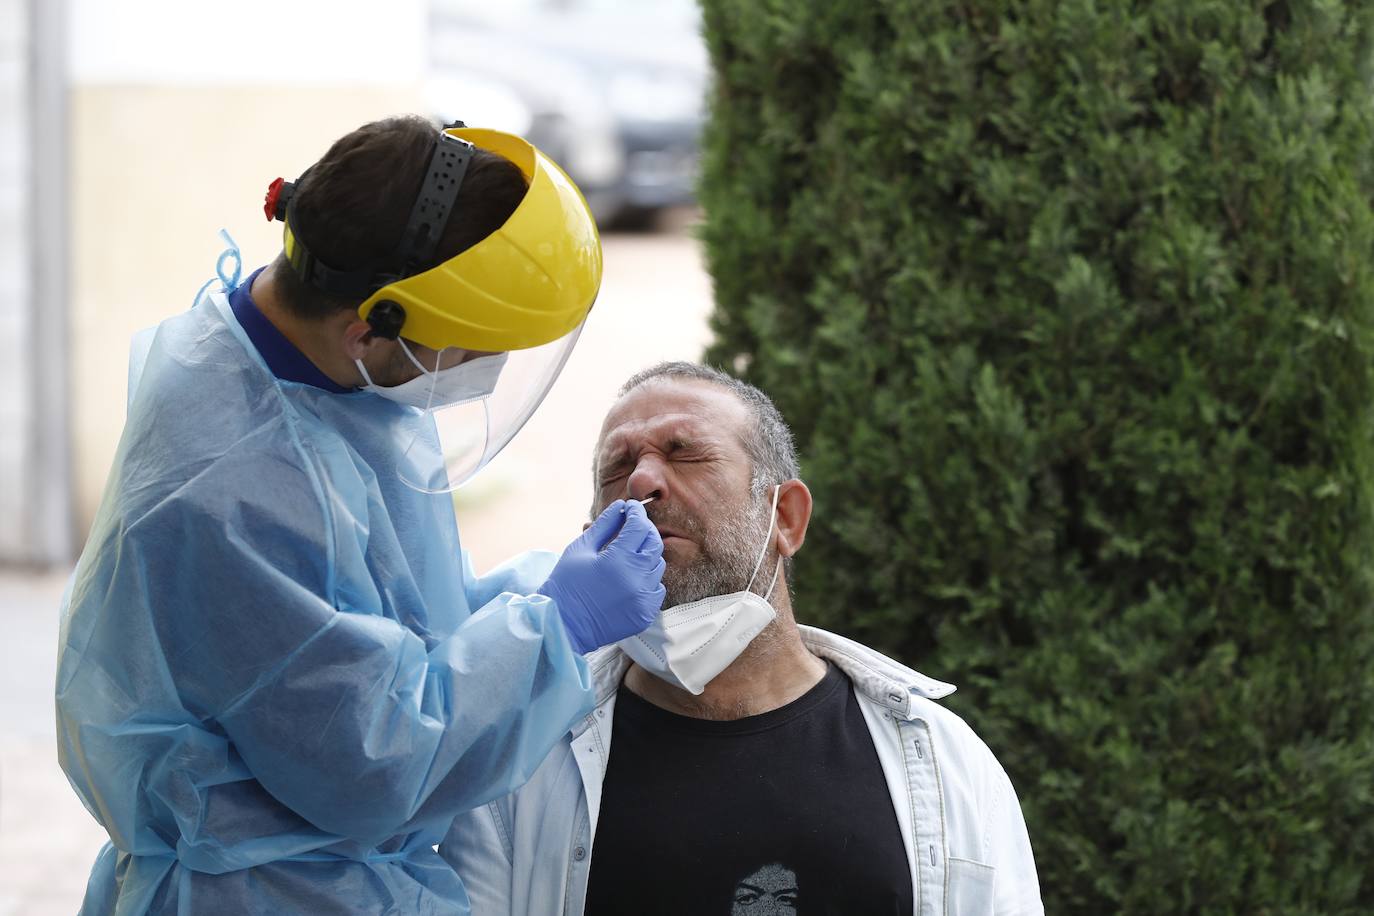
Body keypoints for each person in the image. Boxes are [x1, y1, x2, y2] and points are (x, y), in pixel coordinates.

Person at [55, 115, 666, 915]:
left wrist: (533, 593)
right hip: (268, 889)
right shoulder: (228, 487)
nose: (490, 370)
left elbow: (369, 621)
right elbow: (373, 756)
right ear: (368, 330)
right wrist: (554, 627)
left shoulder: (305, 368)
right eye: (474, 349)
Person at [442, 361, 1045, 915]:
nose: (642, 482)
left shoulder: (943, 765)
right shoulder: (525, 768)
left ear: (785, 518)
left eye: (685, 453)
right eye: (616, 468)